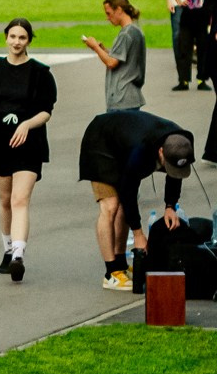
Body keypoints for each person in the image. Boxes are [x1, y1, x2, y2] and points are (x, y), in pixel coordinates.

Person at [0, 19, 57, 282]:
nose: (17, 42)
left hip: (29, 144)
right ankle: (7, 249)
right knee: (5, 200)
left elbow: (46, 112)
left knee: (20, 199)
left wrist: (27, 124)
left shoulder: (40, 73)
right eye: (13, 36)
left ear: (29, 40)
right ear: (6, 37)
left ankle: (18, 255)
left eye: (23, 38)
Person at [76, 109, 197, 290]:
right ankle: (111, 273)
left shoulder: (180, 144)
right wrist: (138, 234)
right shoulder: (141, 149)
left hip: (122, 139)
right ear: (161, 152)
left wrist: (170, 206)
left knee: (124, 209)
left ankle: (121, 265)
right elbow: (128, 191)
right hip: (100, 142)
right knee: (111, 206)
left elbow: (175, 175)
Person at [82, 0, 148, 112]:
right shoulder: (136, 30)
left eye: (108, 13)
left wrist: (96, 47)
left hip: (122, 97)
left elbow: (111, 62)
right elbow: (124, 58)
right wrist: (104, 50)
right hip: (131, 95)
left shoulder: (126, 34)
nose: (107, 18)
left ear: (119, 10)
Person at [177, 0, 217, 92]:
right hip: (187, 20)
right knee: (184, 50)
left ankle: (202, 80)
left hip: (204, 21)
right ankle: (184, 80)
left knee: (203, 51)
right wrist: (179, 1)